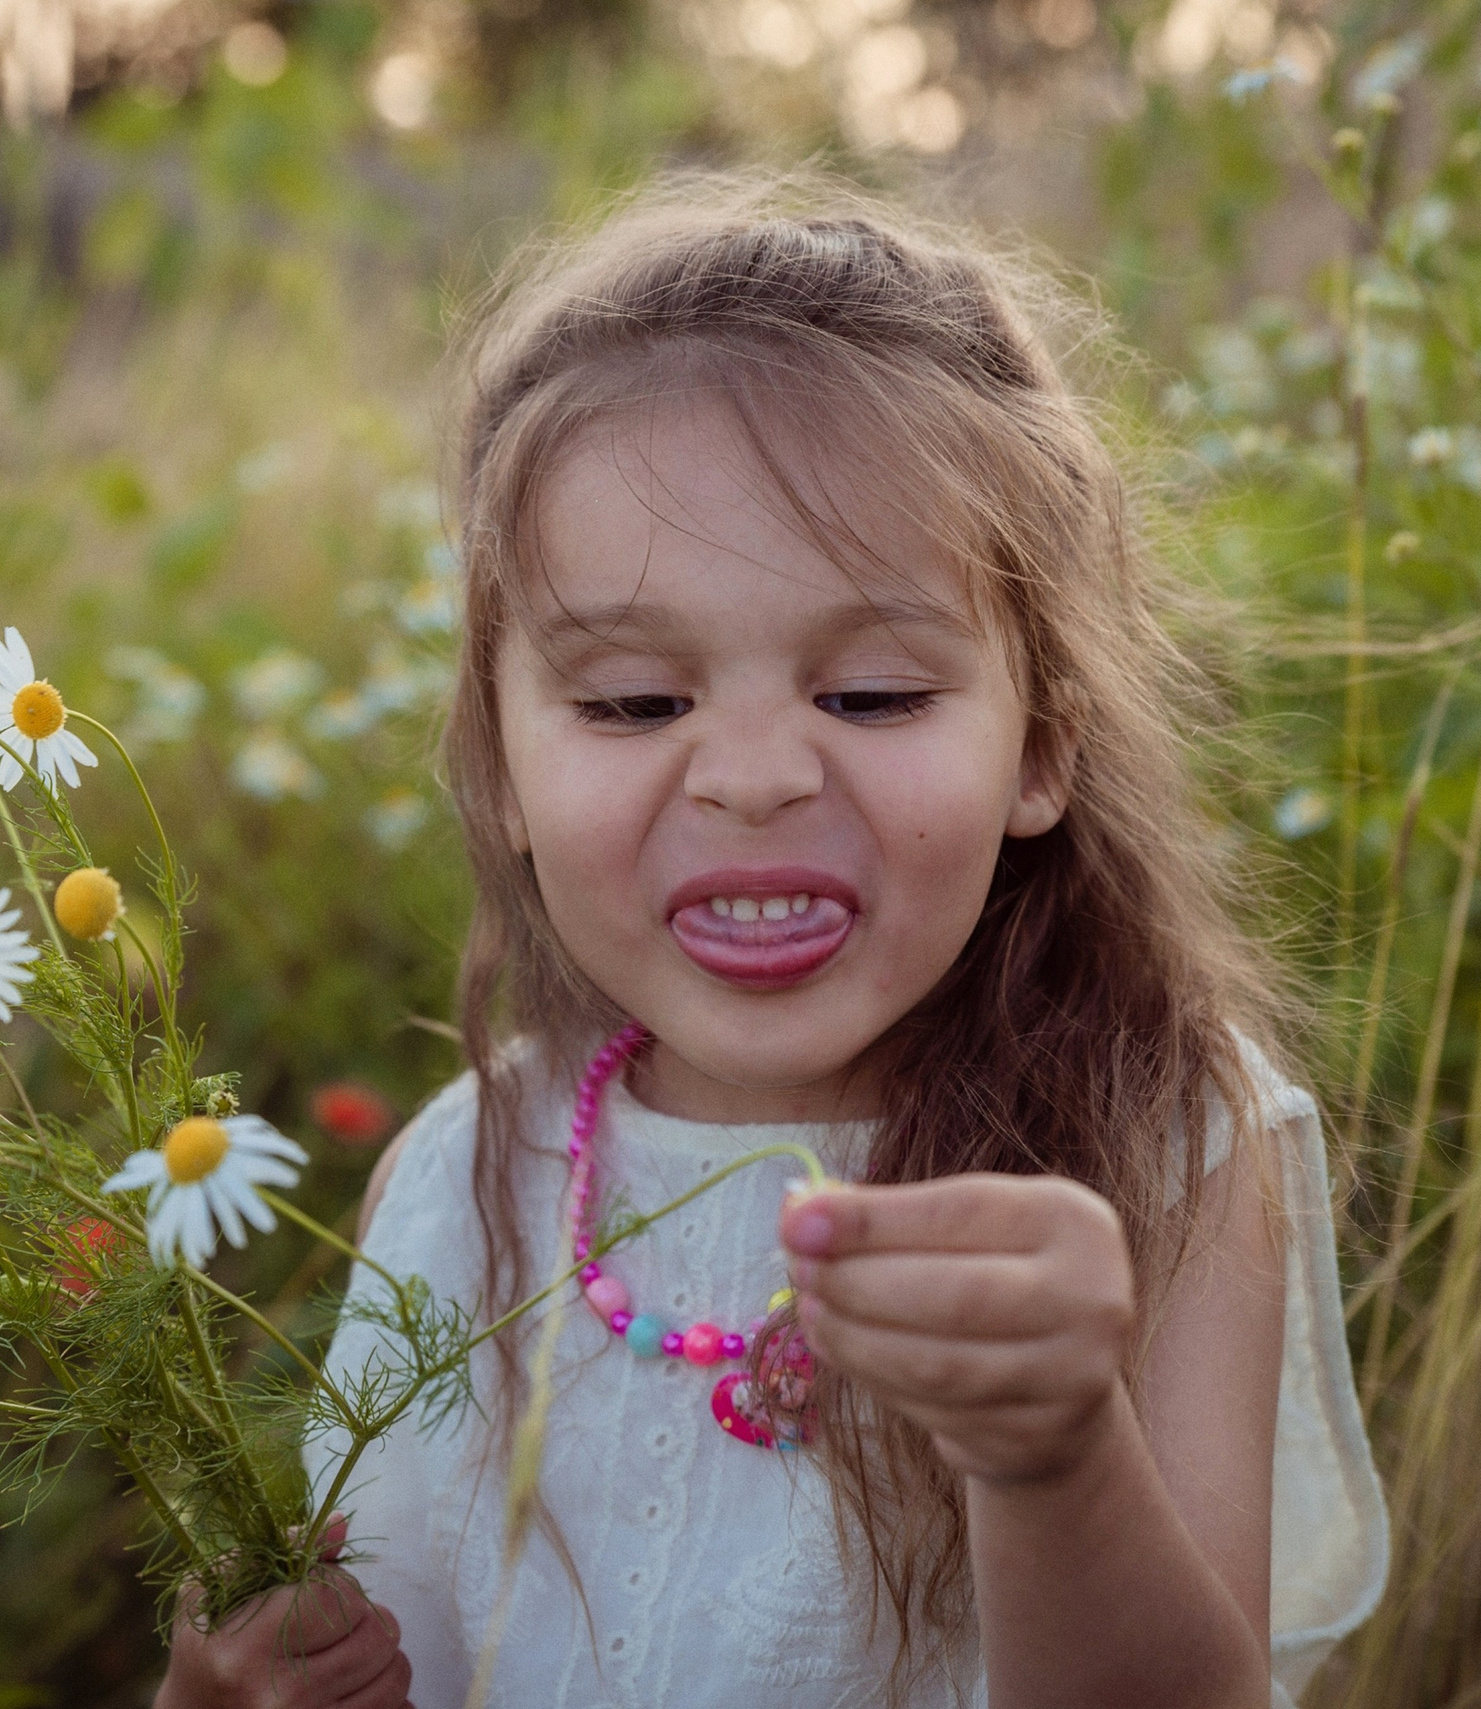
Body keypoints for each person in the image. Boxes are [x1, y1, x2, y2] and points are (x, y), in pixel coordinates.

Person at [156, 174, 1386, 1709]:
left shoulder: (1175, 1151)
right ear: (498, 768)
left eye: (871, 694)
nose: (754, 775)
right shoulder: (461, 1175)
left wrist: (1055, 1452)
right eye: (630, 702)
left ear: (1040, 747)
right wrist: (224, 1693)